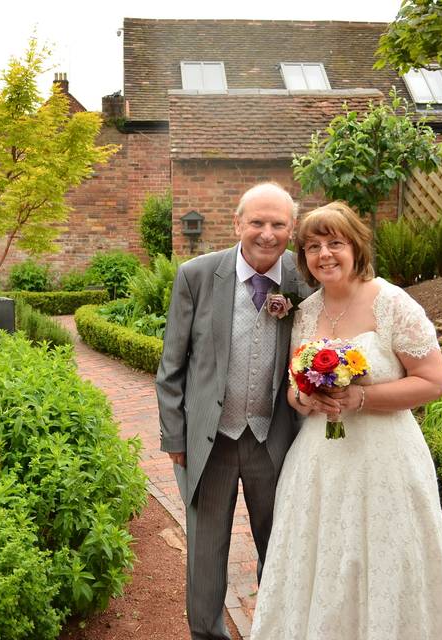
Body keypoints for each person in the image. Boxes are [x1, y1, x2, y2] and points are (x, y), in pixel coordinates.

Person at [250, 202, 442, 639]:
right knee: (323, 557)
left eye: (335, 243)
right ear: (304, 258)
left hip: (384, 460)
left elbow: (433, 382)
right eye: (313, 246)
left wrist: (360, 396)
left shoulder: (392, 303)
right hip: (319, 463)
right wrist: (304, 401)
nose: (325, 254)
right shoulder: (306, 311)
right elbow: (294, 387)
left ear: (356, 247)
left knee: (383, 558)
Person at [156, 182, 313, 640]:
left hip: (275, 439)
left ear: (291, 228)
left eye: (278, 224)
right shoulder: (197, 275)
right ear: (238, 224)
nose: (267, 233)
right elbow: (171, 366)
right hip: (211, 441)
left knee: (280, 548)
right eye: (257, 222)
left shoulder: (303, 280)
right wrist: (175, 438)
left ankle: (277, 629)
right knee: (205, 554)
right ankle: (207, 635)